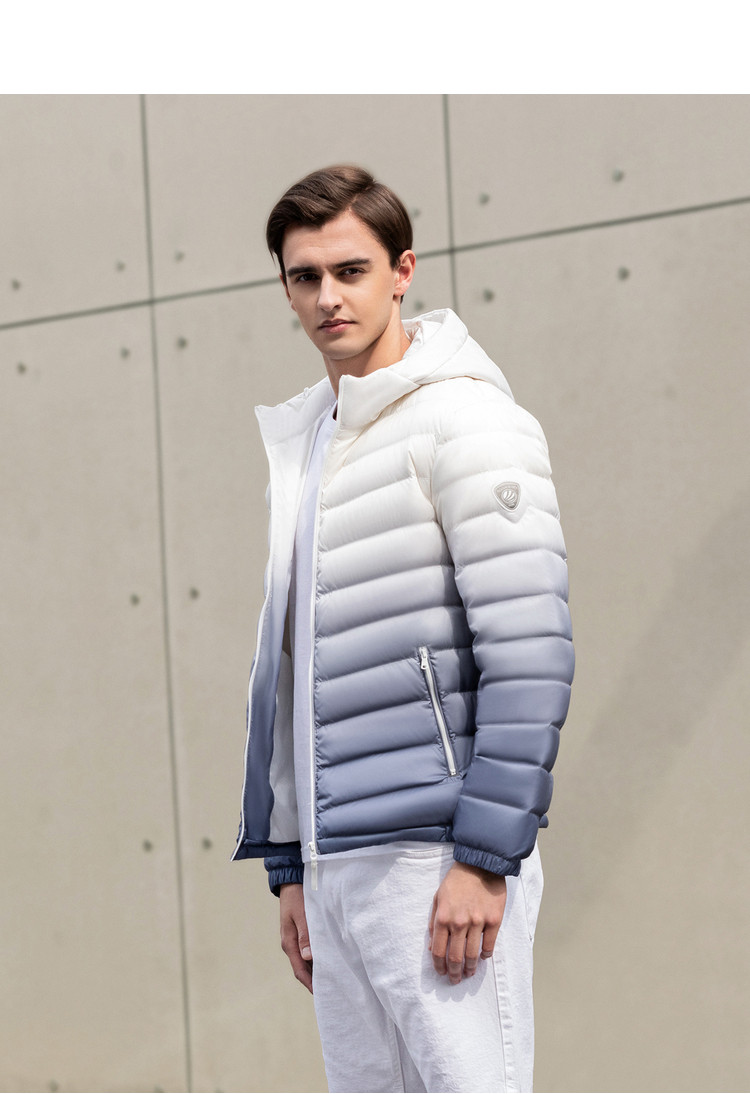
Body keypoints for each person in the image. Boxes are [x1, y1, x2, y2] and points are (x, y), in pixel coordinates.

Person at [232, 164, 574, 1093]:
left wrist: (484, 859)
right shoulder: (310, 444)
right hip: (335, 868)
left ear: (402, 271)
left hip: (437, 859)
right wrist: (293, 864)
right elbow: (292, 670)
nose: (328, 298)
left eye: (351, 271)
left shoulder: (466, 419)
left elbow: (532, 654)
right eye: (306, 277)